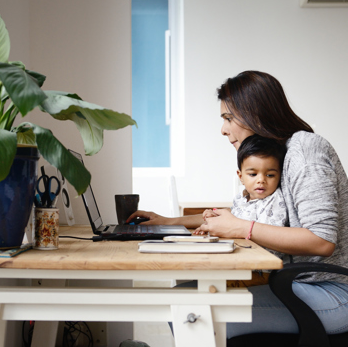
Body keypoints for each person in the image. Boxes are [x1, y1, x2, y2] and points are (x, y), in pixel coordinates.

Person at [127, 70, 348, 337]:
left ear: (256, 113)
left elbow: (322, 241)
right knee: (180, 298)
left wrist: (243, 228)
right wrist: (168, 221)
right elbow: (244, 214)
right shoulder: (278, 154)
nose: (223, 129)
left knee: (192, 312)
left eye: (228, 118)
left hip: (331, 293)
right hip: (295, 285)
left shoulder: (305, 151)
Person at [203, 134, 287, 287]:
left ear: (279, 176)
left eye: (270, 175)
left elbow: (272, 238)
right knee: (206, 276)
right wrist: (213, 218)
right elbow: (230, 224)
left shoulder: (276, 201)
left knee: (216, 285)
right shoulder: (241, 200)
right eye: (253, 174)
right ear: (241, 176)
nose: (261, 179)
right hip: (241, 262)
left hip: (263, 272)